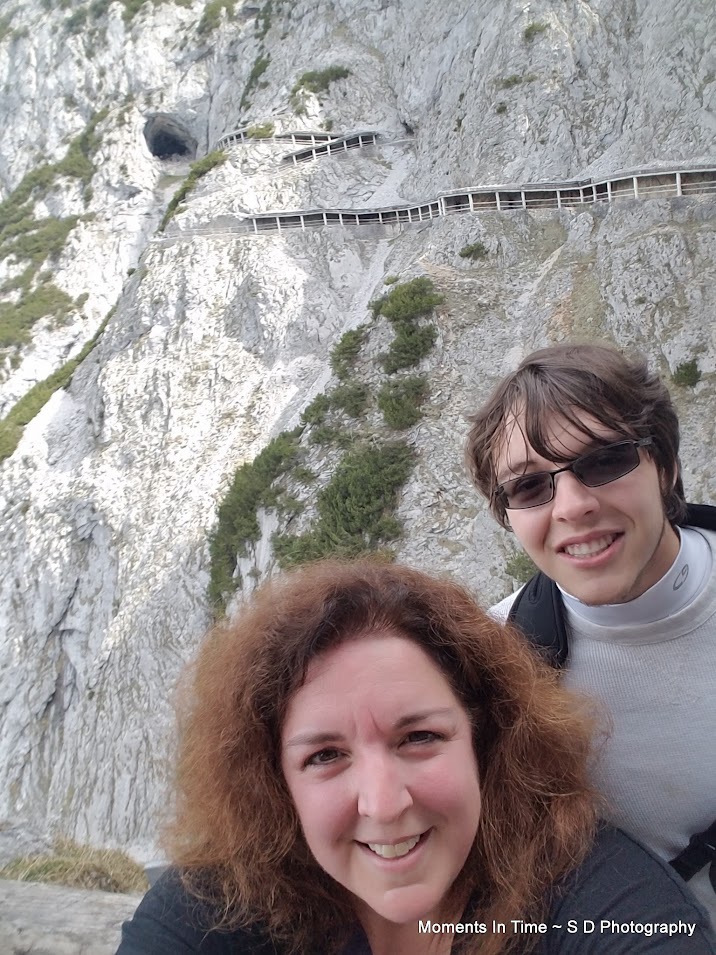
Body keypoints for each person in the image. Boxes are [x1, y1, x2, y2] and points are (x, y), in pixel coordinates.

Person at [117, 560, 715, 955]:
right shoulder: (217, 907)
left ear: (483, 739)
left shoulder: (590, 895)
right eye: (325, 755)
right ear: (274, 781)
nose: (383, 804)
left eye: (419, 737)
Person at [465, 342, 716, 927]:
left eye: (605, 461)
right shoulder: (494, 669)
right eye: (530, 488)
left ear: (665, 466)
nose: (573, 506)